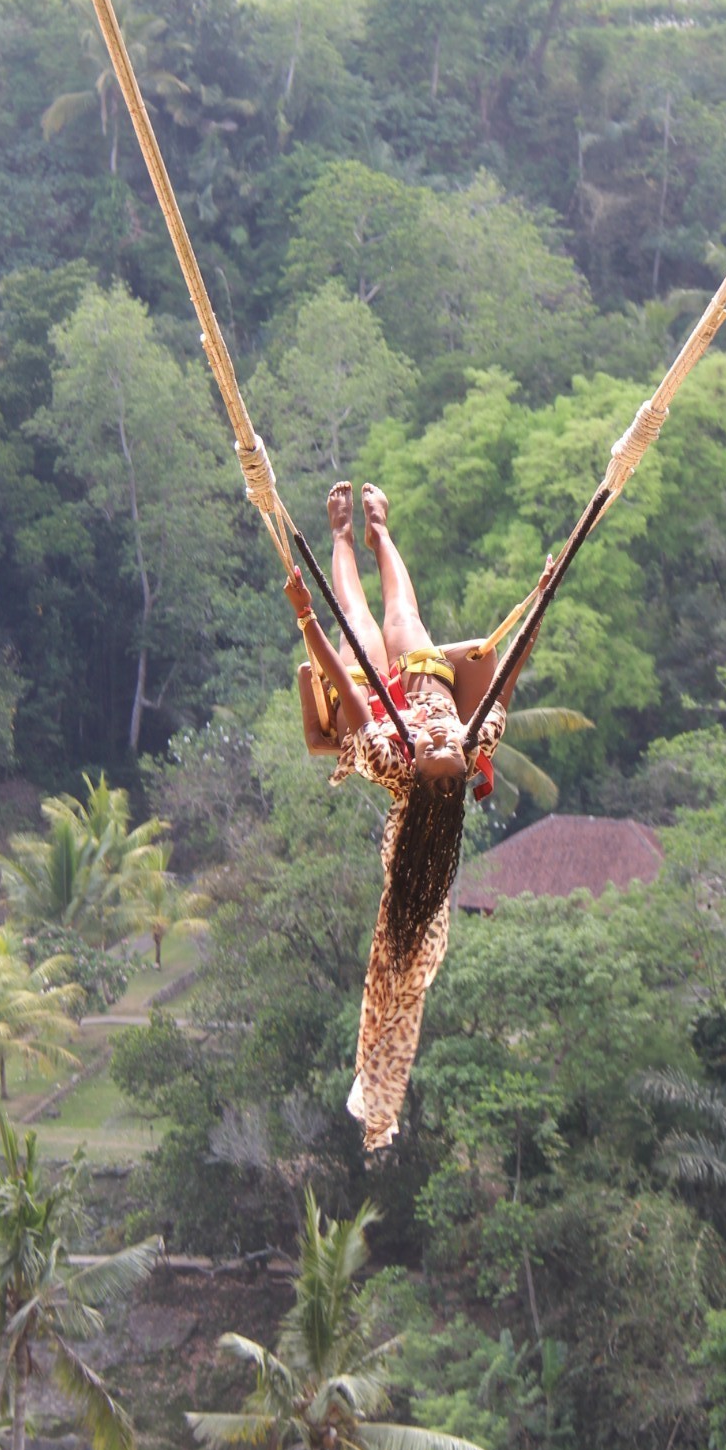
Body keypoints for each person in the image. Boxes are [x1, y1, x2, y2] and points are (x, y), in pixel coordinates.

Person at [284, 481, 548, 1151]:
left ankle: (343, 540)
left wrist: (307, 621)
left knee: (360, 632)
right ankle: (382, 535)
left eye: (435, 749)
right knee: (406, 616)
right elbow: (509, 670)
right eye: (443, 749)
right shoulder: (468, 743)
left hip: (373, 701)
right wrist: (539, 601)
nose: (438, 741)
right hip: (420, 677)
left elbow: (346, 689)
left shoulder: (392, 763)